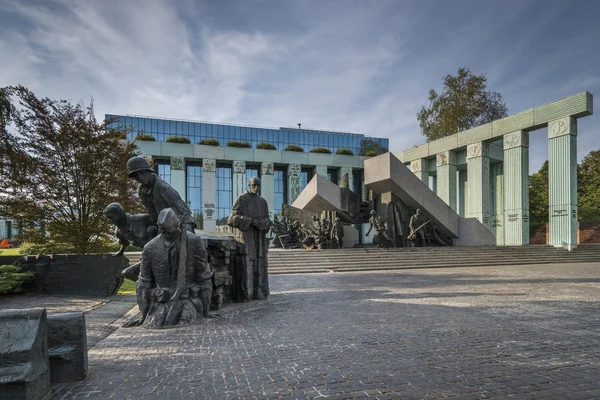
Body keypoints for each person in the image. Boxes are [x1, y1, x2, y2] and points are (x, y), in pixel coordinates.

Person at [123, 208, 215, 328]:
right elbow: (143, 282)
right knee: (155, 323)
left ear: (178, 226)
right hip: (160, 304)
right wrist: (143, 315)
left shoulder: (193, 241)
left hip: (187, 301)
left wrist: (206, 311)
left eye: (172, 232)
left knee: (185, 320)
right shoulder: (150, 248)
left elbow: (204, 277)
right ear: (160, 230)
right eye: (165, 232)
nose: (169, 235)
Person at [227, 177, 271, 300]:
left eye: (258, 185)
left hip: (260, 241)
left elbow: (267, 220)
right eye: (253, 185)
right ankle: (246, 295)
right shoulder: (241, 199)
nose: (256, 187)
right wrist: (251, 221)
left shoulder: (263, 202)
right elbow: (231, 219)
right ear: (249, 185)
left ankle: (260, 293)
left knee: (260, 267)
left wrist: (265, 224)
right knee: (246, 267)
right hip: (246, 240)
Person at [127, 156, 196, 233]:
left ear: (149, 171)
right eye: (136, 175)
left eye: (142, 173)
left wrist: (188, 231)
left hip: (174, 227)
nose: (139, 177)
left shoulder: (162, 187)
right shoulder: (141, 190)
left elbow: (183, 212)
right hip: (159, 227)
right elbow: (151, 215)